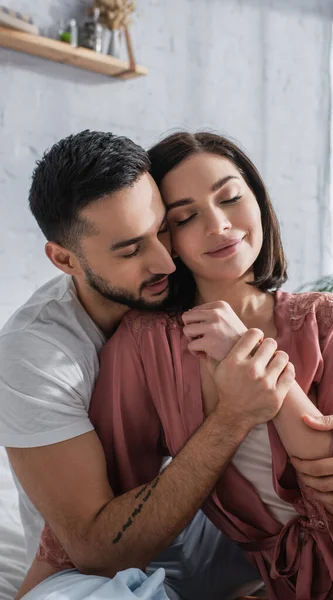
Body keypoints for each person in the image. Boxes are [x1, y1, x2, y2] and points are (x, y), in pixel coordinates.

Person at [30, 131, 333, 599]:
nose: (220, 225)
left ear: (258, 200)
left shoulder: (327, 318)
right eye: (186, 217)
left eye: (230, 197)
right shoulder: (145, 347)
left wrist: (243, 348)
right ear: (167, 237)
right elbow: (114, 505)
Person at [1, 130, 265, 600]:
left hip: (222, 535)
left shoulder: (190, 272)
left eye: (163, 228)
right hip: (102, 571)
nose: (165, 261)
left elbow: (307, 339)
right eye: (130, 249)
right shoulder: (34, 354)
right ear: (65, 260)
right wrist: (232, 417)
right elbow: (96, 552)